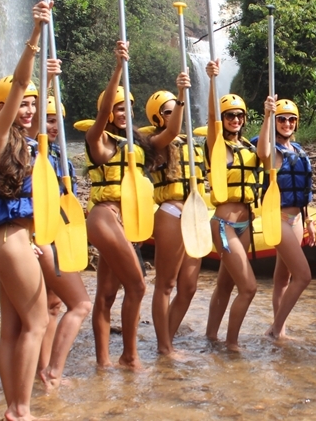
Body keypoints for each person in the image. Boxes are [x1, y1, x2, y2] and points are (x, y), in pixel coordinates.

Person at [0, 0, 53, 420]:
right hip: (9, 242)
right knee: (38, 323)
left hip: (10, 241)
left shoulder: (25, 141)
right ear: (2, 107)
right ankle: (21, 410)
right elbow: (23, 81)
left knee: (13, 328)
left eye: (30, 105)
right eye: (19, 104)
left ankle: (12, 406)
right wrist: (35, 35)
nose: (26, 109)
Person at [83, 41, 152, 369]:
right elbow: (101, 113)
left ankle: (103, 363)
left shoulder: (134, 144)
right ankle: (129, 356)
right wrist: (118, 69)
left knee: (107, 295)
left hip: (126, 222)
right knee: (137, 285)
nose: (124, 114)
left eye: (129, 109)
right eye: (119, 109)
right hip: (104, 217)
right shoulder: (99, 141)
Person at [203, 58, 262, 351]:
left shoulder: (250, 148)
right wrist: (213, 81)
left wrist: (270, 113)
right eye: (229, 116)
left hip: (246, 225)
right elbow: (212, 120)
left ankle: (211, 337)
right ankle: (232, 344)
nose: (235, 120)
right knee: (249, 288)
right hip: (225, 225)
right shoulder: (217, 146)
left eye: (239, 116)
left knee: (225, 286)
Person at [145, 75, 205, 357]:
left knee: (189, 287)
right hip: (170, 213)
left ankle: (166, 338)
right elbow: (171, 131)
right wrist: (181, 93)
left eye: (176, 109)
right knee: (166, 284)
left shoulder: (193, 143)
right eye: (167, 111)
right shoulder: (156, 141)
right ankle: (165, 347)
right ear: (159, 118)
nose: (174, 115)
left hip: (195, 214)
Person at [36, 96, 91, 390]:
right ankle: (53, 373)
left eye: (57, 119)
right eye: (48, 119)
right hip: (43, 239)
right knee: (80, 305)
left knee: (52, 305)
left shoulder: (59, 155)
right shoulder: (33, 155)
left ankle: (42, 370)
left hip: (55, 235)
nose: (54, 126)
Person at [256, 97, 314, 340]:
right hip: (278, 218)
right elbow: (262, 151)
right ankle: (276, 329)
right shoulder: (273, 152)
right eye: (282, 119)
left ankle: (281, 329)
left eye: (291, 119)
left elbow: (304, 191)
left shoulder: (298, 150)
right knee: (304, 276)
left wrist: (309, 220)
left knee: (283, 278)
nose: (287, 123)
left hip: (297, 219)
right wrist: (268, 116)